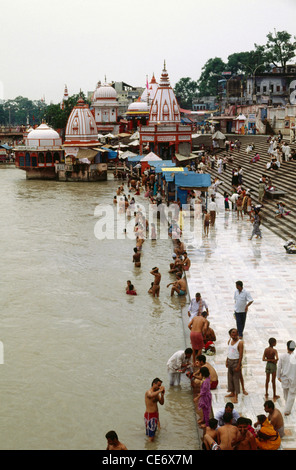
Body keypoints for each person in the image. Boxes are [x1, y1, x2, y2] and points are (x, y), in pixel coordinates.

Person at [277, 340, 296, 416]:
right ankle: (287, 409)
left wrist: (278, 376)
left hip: (284, 377)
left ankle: (287, 409)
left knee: (286, 393)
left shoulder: (282, 356)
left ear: (287, 347)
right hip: (293, 378)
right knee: (291, 394)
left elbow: (279, 367)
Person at [225, 328, 244, 403]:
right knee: (230, 377)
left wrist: (239, 365)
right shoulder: (230, 341)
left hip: (236, 361)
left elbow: (241, 354)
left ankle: (236, 396)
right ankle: (231, 392)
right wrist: (226, 360)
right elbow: (229, 351)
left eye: (235, 333)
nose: (234, 335)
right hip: (230, 360)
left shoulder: (240, 343)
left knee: (236, 379)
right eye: (233, 333)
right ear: (230, 334)